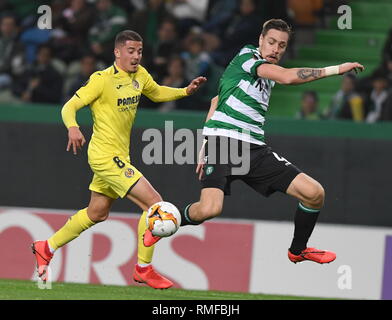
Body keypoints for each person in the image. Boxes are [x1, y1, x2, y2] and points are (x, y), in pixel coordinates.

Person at [144, 19, 364, 265]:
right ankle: (165, 222)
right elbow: (288, 77)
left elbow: (216, 100)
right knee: (209, 210)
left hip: (254, 148)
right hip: (223, 143)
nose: (275, 49)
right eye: (271, 42)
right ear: (260, 40)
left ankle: (298, 250)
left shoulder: (264, 72)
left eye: (281, 45)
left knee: (314, 194)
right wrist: (336, 69)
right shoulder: (248, 57)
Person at [31, 30, 206, 289]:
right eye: (131, 51)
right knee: (156, 205)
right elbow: (69, 107)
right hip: (104, 156)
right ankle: (143, 269)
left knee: (97, 213)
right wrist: (73, 127)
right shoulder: (101, 80)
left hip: (119, 155)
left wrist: (184, 92)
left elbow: (157, 93)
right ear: (117, 52)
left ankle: (46, 246)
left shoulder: (140, 75)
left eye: (140, 51)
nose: (136, 56)